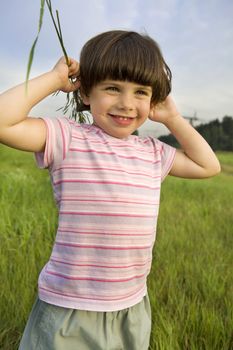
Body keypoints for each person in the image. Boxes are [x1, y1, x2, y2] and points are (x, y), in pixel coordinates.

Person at [0, 30, 220, 350]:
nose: (127, 104)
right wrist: (53, 79)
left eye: (141, 92)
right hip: (70, 307)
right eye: (113, 88)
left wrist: (173, 118)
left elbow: (208, 166)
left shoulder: (153, 152)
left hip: (131, 305)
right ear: (87, 92)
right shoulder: (68, 137)